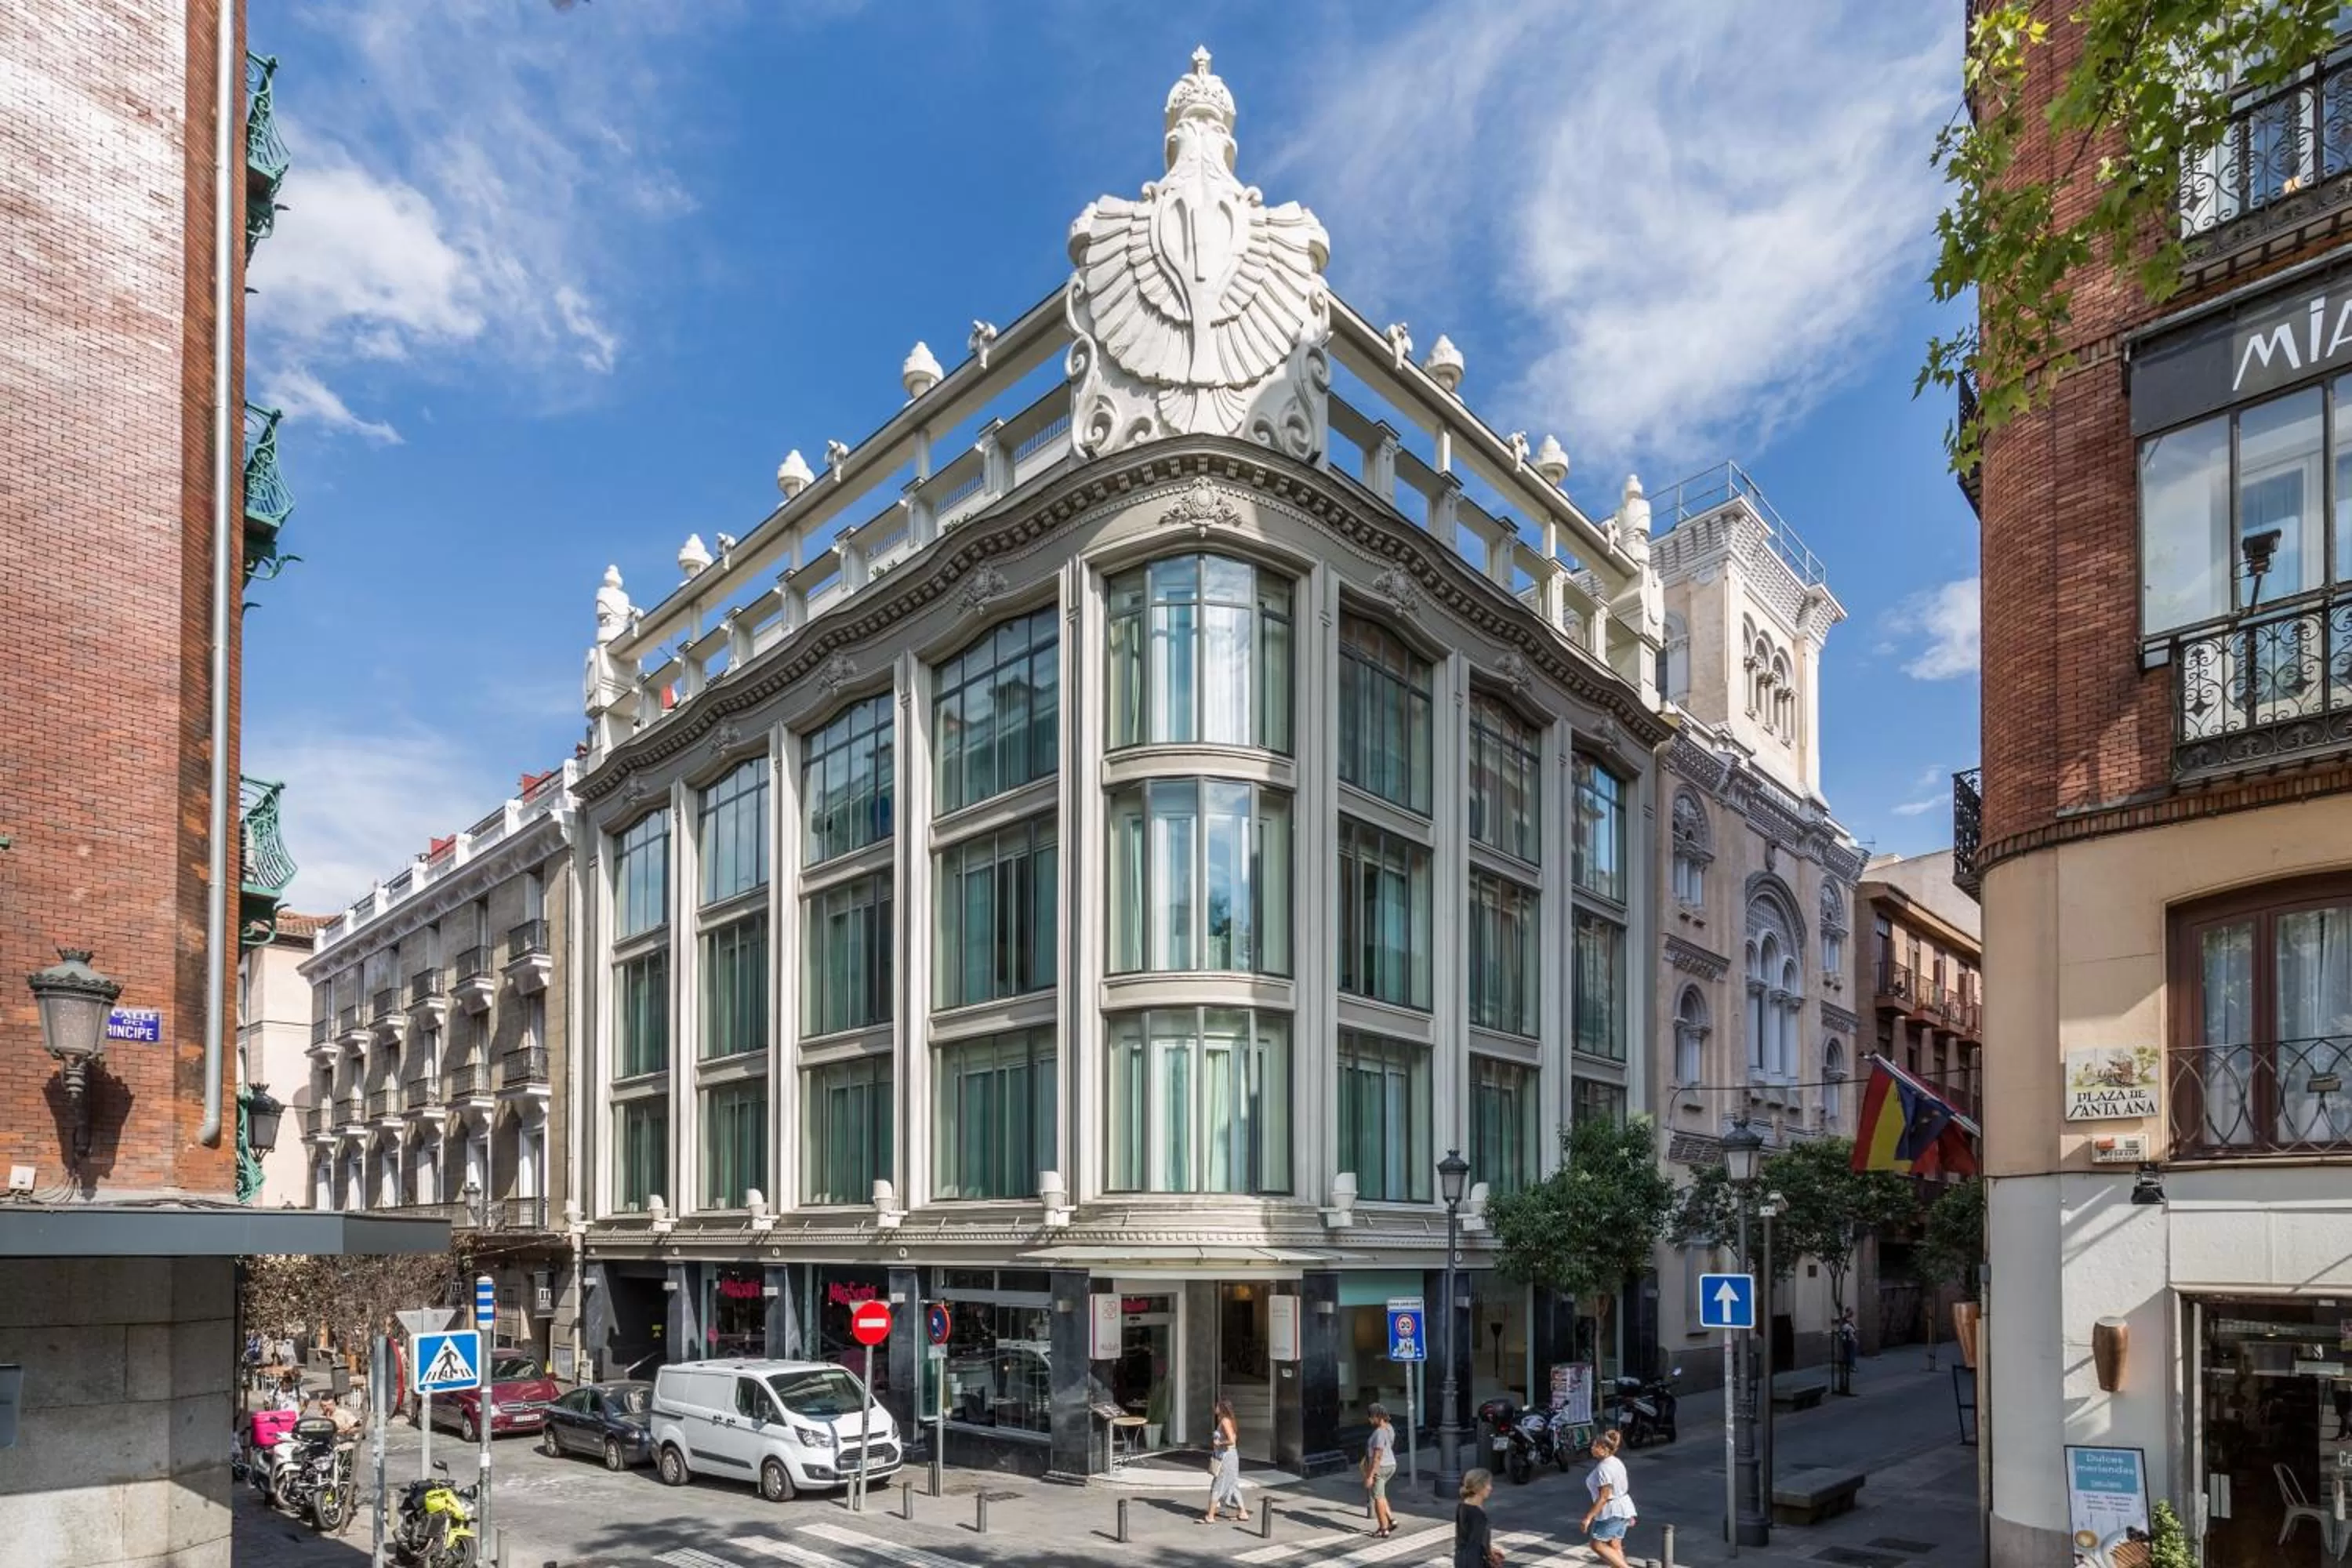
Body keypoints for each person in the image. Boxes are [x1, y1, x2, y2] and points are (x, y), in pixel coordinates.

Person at [1580, 1428, 1637, 1568]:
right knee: (1614, 1544)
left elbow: (1604, 1496)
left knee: (1597, 1545)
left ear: (1604, 1448)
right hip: (1624, 1508)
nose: (1592, 1448)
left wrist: (1588, 1518)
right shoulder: (1616, 1462)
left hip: (1612, 1511)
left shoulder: (1603, 1469)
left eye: (1595, 1446)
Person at [1201, 1397, 1247, 1524]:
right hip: (1229, 1456)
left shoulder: (1225, 1421)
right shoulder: (1226, 1421)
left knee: (1218, 1483)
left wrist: (1219, 1442)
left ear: (1222, 1409)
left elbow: (1232, 1440)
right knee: (1232, 1484)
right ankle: (1243, 1512)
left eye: (1217, 1406)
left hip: (1227, 1457)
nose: (1215, 1408)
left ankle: (1210, 1516)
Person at [1361, 1403, 1399, 1538]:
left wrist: (1370, 1476)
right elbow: (1390, 1445)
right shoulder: (1389, 1428)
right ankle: (1391, 1519)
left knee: (1377, 1497)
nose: (1370, 1420)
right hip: (1391, 1465)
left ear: (1377, 1416)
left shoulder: (1379, 1433)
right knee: (1381, 1494)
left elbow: (1377, 1456)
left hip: (1380, 1468)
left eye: (1371, 1417)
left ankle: (1383, 1528)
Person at [1455, 1467, 1500, 1568]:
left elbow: (1467, 1538)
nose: (1490, 1488)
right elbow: (1478, 1542)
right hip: (1474, 1562)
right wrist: (1490, 1555)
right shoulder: (1478, 1514)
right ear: (1479, 1487)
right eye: (1488, 1484)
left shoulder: (1462, 1507)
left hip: (1461, 1559)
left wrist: (1490, 1550)